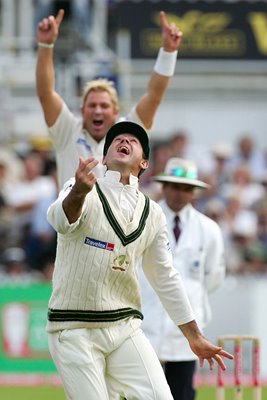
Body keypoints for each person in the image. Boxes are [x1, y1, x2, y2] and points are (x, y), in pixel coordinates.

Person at [46, 121, 233, 400]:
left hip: (124, 328)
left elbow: (165, 276)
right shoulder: (79, 186)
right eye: (117, 139)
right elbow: (60, 221)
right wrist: (79, 193)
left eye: (132, 141)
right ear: (106, 157)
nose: (124, 141)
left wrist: (194, 336)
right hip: (74, 329)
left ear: (144, 163)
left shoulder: (153, 213)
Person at [36, 8, 182, 188]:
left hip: (118, 217)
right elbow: (46, 93)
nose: (98, 110)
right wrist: (46, 45)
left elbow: (154, 96)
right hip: (72, 216)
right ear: (82, 111)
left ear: (115, 111)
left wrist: (168, 53)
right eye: (92, 105)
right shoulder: (67, 130)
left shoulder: (129, 132)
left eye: (104, 105)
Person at [140, 157, 226, 400]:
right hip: (146, 323)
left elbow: (214, 278)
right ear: (164, 187)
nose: (179, 193)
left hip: (187, 334)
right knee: (141, 393)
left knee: (182, 394)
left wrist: (188, 299)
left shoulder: (209, 229)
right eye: (175, 186)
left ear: (194, 193)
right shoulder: (144, 220)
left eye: (186, 188)